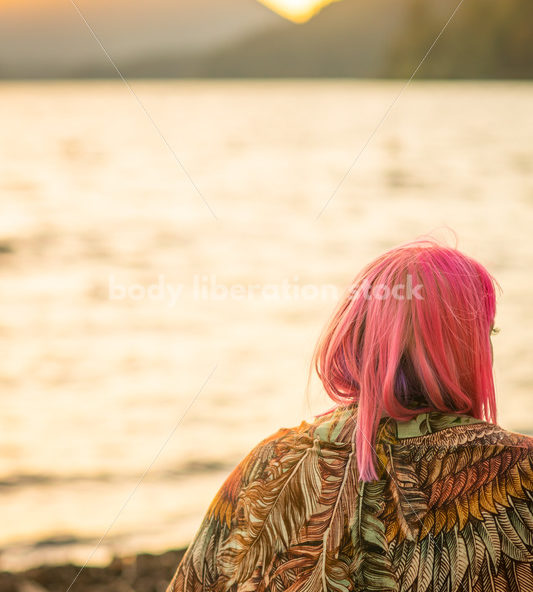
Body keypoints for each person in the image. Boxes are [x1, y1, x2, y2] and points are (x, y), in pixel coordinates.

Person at [165, 239, 533, 592]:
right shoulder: (520, 470)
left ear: (355, 334)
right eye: (488, 332)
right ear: (466, 345)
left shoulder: (267, 462)